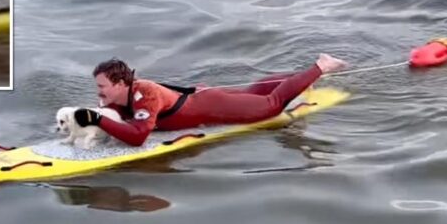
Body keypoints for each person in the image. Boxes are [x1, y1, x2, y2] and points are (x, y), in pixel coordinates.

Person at [73, 54, 348, 147]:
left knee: (271, 105)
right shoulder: (115, 98)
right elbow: (108, 120)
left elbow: (138, 137)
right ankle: (301, 77)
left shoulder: (144, 95)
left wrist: (98, 120)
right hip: (204, 97)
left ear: (121, 84)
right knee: (255, 93)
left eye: (102, 86)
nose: (98, 91)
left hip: (213, 107)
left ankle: (321, 66)